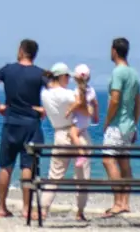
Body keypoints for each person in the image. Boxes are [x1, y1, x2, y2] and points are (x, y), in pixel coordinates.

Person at [0, 39, 47, 219]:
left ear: (21, 50)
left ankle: (2, 207)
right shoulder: (40, 73)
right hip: (31, 124)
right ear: (34, 54)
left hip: (11, 122)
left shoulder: (8, 69)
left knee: (5, 166)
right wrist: (45, 109)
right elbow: (55, 92)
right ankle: (26, 208)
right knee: (28, 166)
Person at [39, 62, 91, 221]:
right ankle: (80, 212)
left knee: (54, 175)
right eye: (67, 76)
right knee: (82, 177)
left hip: (59, 134)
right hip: (77, 132)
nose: (68, 79)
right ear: (61, 76)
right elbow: (84, 108)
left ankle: (43, 209)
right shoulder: (66, 94)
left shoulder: (44, 93)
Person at [101, 37, 140, 217]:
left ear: (114, 51)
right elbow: (139, 101)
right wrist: (135, 123)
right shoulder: (134, 73)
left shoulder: (118, 72)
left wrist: (106, 120)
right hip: (129, 125)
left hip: (117, 125)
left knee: (108, 160)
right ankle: (125, 202)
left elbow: (115, 99)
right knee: (124, 163)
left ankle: (118, 202)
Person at [67, 64, 98, 168]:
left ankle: (81, 154)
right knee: (78, 133)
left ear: (76, 78)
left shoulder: (77, 91)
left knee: (73, 134)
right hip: (87, 120)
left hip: (80, 119)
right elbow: (95, 103)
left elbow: (78, 103)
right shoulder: (92, 90)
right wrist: (96, 117)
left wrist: (69, 110)